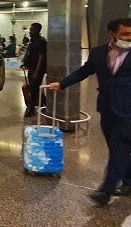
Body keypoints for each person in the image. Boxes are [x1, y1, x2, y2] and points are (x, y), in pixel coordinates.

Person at [48, 17, 131, 206]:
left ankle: (106, 190)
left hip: (128, 111)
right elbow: (83, 72)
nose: (129, 37)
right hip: (107, 109)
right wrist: (62, 83)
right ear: (112, 34)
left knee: (119, 149)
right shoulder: (99, 53)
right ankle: (128, 182)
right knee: (118, 148)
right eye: (125, 34)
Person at [22, 23, 47, 117]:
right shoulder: (33, 40)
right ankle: (46, 104)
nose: (30, 31)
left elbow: (41, 57)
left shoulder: (41, 41)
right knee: (35, 87)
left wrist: (37, 71)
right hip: (32, 67)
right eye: (30, 29)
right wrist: (25, 63)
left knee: (33, 89)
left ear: (37, 30)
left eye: (32, 30)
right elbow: (29, 53)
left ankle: (31, 109)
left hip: (38, 69)